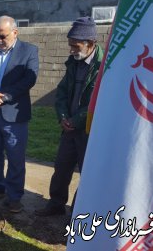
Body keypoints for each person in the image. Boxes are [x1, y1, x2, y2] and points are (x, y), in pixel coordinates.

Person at [35, 17, 103, 217]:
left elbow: (96, 102)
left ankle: (78, 213)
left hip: (89, 131)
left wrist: (75, 121)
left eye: (75, 46)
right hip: (69, 129)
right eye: (70, 45)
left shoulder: (103, 67)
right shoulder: (73, 63)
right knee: (61, 167)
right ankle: (55, 204)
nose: (71, 49)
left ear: (90, 44)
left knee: (86, 174)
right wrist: (63, 117)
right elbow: (62, 92)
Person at [0, 15, 39, 213]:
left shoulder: (29, 51)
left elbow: (29, 79)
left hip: (14, 116)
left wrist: (4, 97)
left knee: (15, 157)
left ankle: (14, 196)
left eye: (2, 37)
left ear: (15, 32)